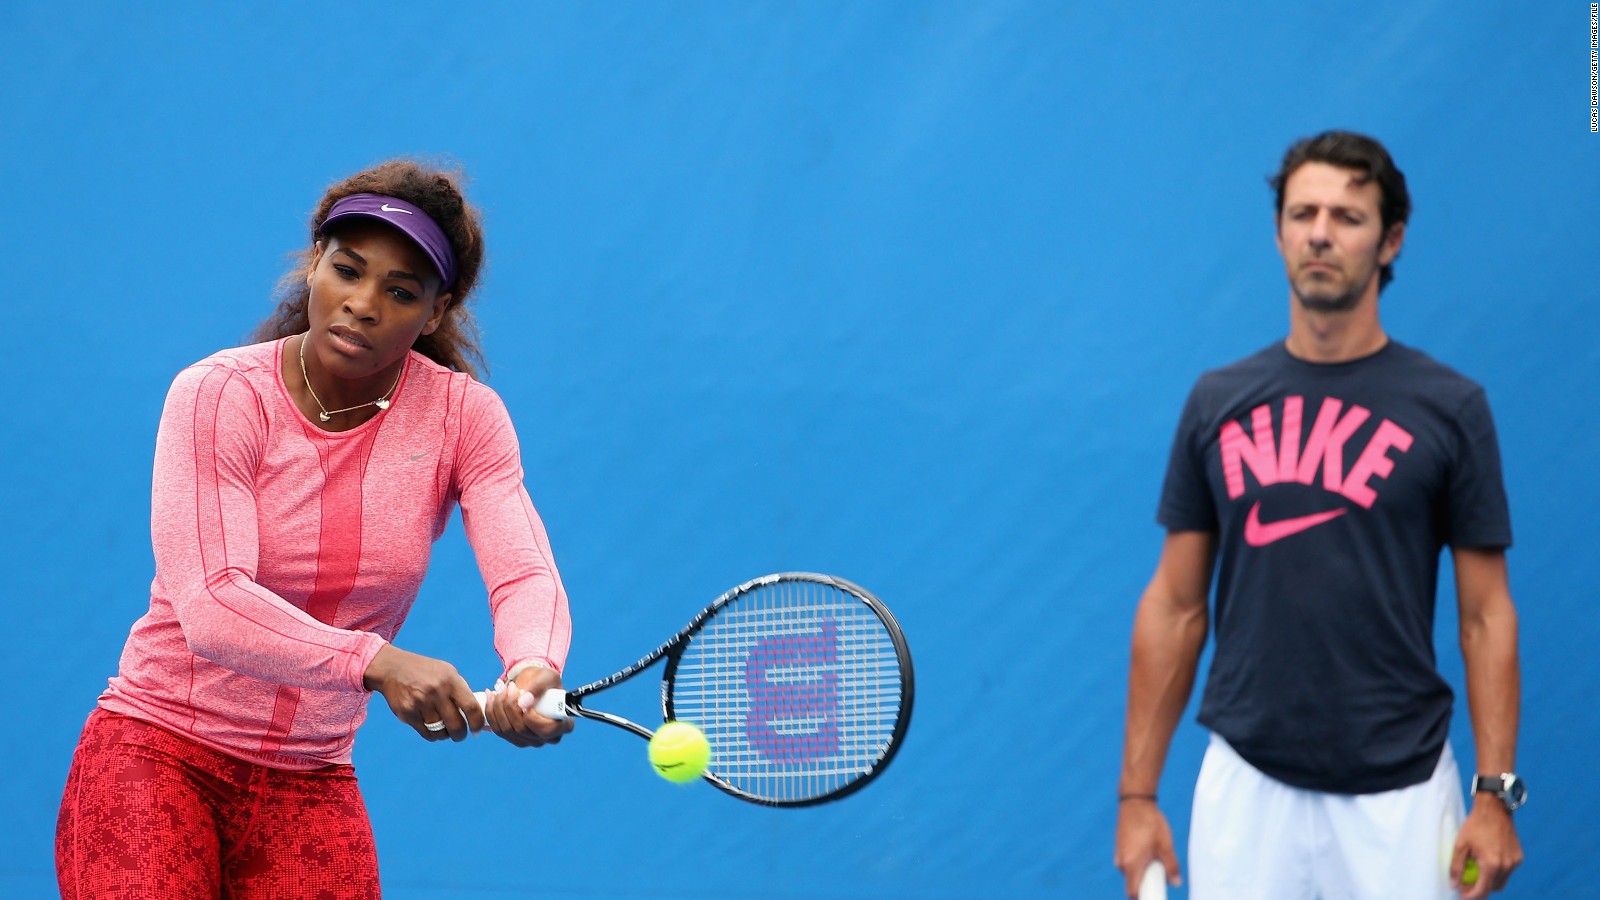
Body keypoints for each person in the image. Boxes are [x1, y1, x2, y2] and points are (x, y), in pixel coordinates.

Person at [56, 159, 574, 898]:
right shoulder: (218, 395)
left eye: (400, 292)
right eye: (348, 270)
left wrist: (532, 664)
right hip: (157, 755)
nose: (362, 304)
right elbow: (211, 601)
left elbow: (523, 571)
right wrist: (380, 662)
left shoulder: (467, 419)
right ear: (315, 266)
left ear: (435, 312)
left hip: (310, 778)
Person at [1113, 131, 1525, 900]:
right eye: (1303, 213)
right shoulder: (1217, 402)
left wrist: (1494, 794)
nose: (1321, 233)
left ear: (1390, 240)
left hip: (1399, 794)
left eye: (1348, 216)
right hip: (1246, 782)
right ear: (1278, 235)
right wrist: (1137, 798)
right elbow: (1173, 606)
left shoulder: (1450, 408)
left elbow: (1485, 615)